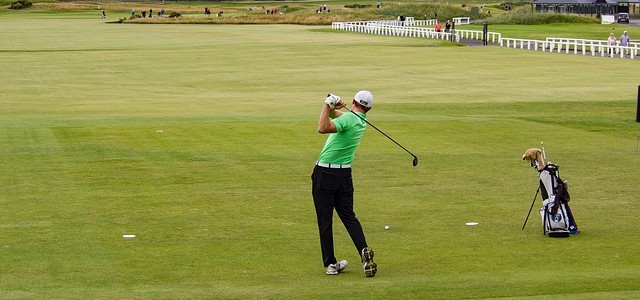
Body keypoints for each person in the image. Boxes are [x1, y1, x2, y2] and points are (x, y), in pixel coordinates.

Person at [312, 91, 377, 277]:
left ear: (354, 101)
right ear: (369, 108)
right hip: (344, 175)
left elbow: (322, 128)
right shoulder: (360, 121)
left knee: (325, 220)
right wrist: (333, 108)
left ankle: (331, 264)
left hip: (325, 173)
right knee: (349, 216)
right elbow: (337, 118)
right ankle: (363, 250)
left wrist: (326, 104)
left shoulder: (349, 119)